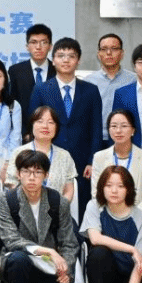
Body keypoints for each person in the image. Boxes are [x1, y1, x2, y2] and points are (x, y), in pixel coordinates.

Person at [0, 150, 78, 283]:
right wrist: (49, 251)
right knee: (18, 259)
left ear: (46, 175)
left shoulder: (58, 201)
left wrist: (67, 270)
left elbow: (69, 242)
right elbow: (11, 240)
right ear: (18, 174)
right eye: (26, 171)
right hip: (18, 262)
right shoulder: (7, 199)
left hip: (47, 266)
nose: (32, 177)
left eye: (38, 172)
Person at [29, 37, 102, 212]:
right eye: (61, 56)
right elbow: (33, 126)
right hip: (49, 158)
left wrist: (92, 161)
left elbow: (96, 129)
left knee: (81, 208)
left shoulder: (91, 90)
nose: (66, 60)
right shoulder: (41, 89)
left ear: (79, 60)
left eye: (71, 56)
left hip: (82, 162)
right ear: (53, 60)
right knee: (47, 207)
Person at [5, 106, 77, 205]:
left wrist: (59, 208)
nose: (45, 126)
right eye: (40, 121)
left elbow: (69, 190)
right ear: (32, 125)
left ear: (56, 127)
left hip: (56, 210)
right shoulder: (19, 152)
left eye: (51, 122)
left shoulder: (65, 156)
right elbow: (12, 185)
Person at [90, 110, 142, 212]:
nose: (118, 130)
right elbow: (96, 195)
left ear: (133, 130)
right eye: (114, 126)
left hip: (138, 217)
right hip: (107, 216)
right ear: (108, 130)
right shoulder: (99, 157)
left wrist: (128, 217)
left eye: (124, 126)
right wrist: (111, 217)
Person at [90, 33, 135, 148]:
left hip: (126, 139)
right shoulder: (89, 81)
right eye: (104, 49)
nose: (109, 53)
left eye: (114, 49)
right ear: (98, 54)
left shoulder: (133, 80)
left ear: (122, 53)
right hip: (96, 139)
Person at [7, 23, 55, 112]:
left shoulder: (58, 70)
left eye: (43, 42)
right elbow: (11, 103)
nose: (38, 47)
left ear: (50, 47)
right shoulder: (15, 71)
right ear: (27, 47)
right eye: (33, 42)